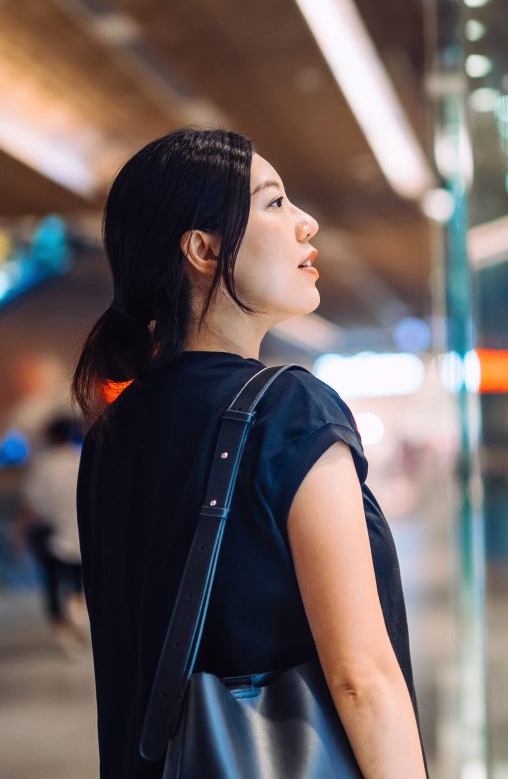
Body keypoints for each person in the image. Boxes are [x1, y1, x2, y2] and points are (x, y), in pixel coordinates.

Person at [71, 128, 424, 779]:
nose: (304, 223)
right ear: (203, 250)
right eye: (273, 204)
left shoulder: (109, 435)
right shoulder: (290, 412)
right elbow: (361, 679)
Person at [19, 415, 87, 651]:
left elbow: (32, 505)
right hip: (82, 534)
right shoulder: (82, 460)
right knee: (81, 582)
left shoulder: (44, 466)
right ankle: (80, 612)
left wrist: (19, 534)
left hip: (52, 535)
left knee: (54, 583)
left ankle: (63, 628)